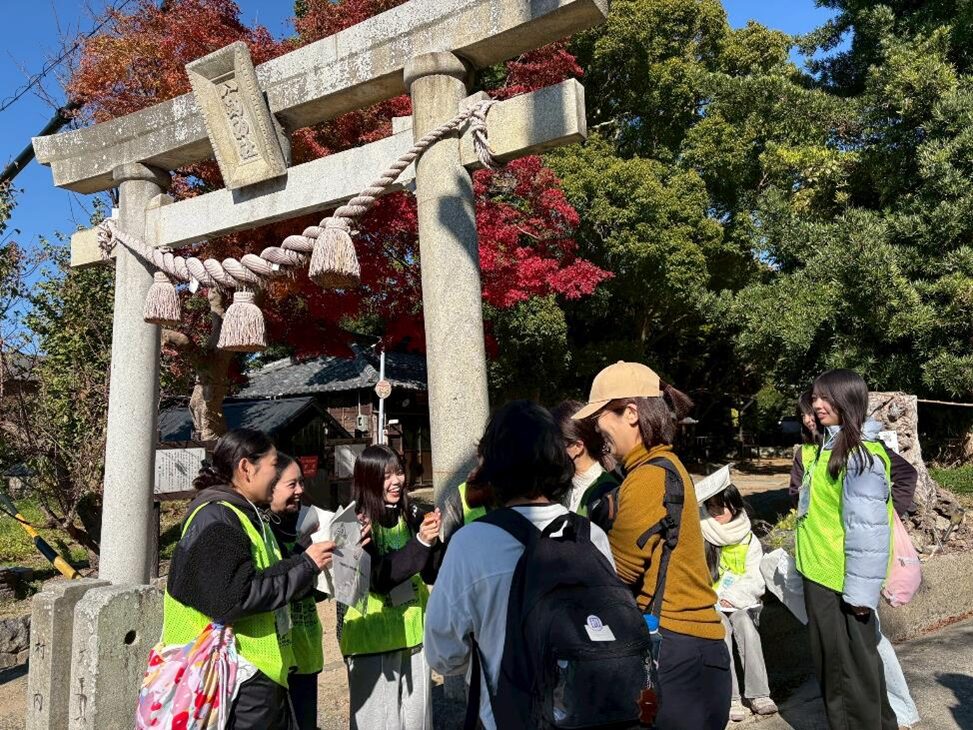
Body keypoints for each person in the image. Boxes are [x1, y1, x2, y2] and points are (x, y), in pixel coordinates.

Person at [423, 400, 617, 729]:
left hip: (503, 715)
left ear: (493, 465)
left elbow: (443, 654)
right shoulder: (589, 535)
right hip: (582, 714)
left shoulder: (471, 543)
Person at [573, 361, 731, 729]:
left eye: (600, 417)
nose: (597, 428)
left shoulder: (647, 477)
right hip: (701, 648)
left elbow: (617, 571)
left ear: (630, 413)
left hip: (675, 650)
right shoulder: (667, 465)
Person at [163, 429, 335, 730]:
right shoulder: (216, 518)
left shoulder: (248, 516)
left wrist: (307, 564)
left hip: (253, 675)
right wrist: (306, 565)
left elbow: (268, 576)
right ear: (246, 468)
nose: (277, 474)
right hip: (231, 677)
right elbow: (235, 596)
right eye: (273, 465)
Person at [791, 388, 921, 728]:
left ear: (846, 401)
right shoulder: (825, 448)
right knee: (853, 666)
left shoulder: (858, 454)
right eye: (813, 400)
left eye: (823, 399)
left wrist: (861, 594)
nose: (815, 407)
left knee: (846, 672)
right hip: (821, 570)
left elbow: (867, 531)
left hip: (838, 575)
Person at [340, 445, 443, 730]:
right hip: (371, 640)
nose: (396, 481)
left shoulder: (411, 514)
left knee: (418, 723)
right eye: (386, 476)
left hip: (414, 634)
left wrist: (433, 541)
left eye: (398, 472)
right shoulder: (352, 522)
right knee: (378, 724)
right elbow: (378, 580)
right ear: (368, 480)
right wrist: (421, 543)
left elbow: (432, 573)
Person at [696, 466, 778, 722]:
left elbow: (755, 580)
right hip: (711, 604)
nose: (716, 513)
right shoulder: (701, 533)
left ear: (734, 507)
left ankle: (759, 694)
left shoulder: (748, 539)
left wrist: (732, 598)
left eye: (722, 507)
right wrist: (714, 599)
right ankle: (730, 696)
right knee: (721, 628)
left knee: (744, 625)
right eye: (711, 507)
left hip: (742, 602)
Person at [268, 454, 324, 730]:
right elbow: (273, 586)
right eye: (292, 484)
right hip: (275, 657)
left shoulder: (306, 520)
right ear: (269, 485)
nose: (300, 490)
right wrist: (306, 555)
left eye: (301, 482)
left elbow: (317, 593)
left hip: (306, 647)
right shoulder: (263, 531)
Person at [551, 399, 619, 515]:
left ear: (577, 446)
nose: (548, 450)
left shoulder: (606, 494)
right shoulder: (563, 486)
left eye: (553, 443)